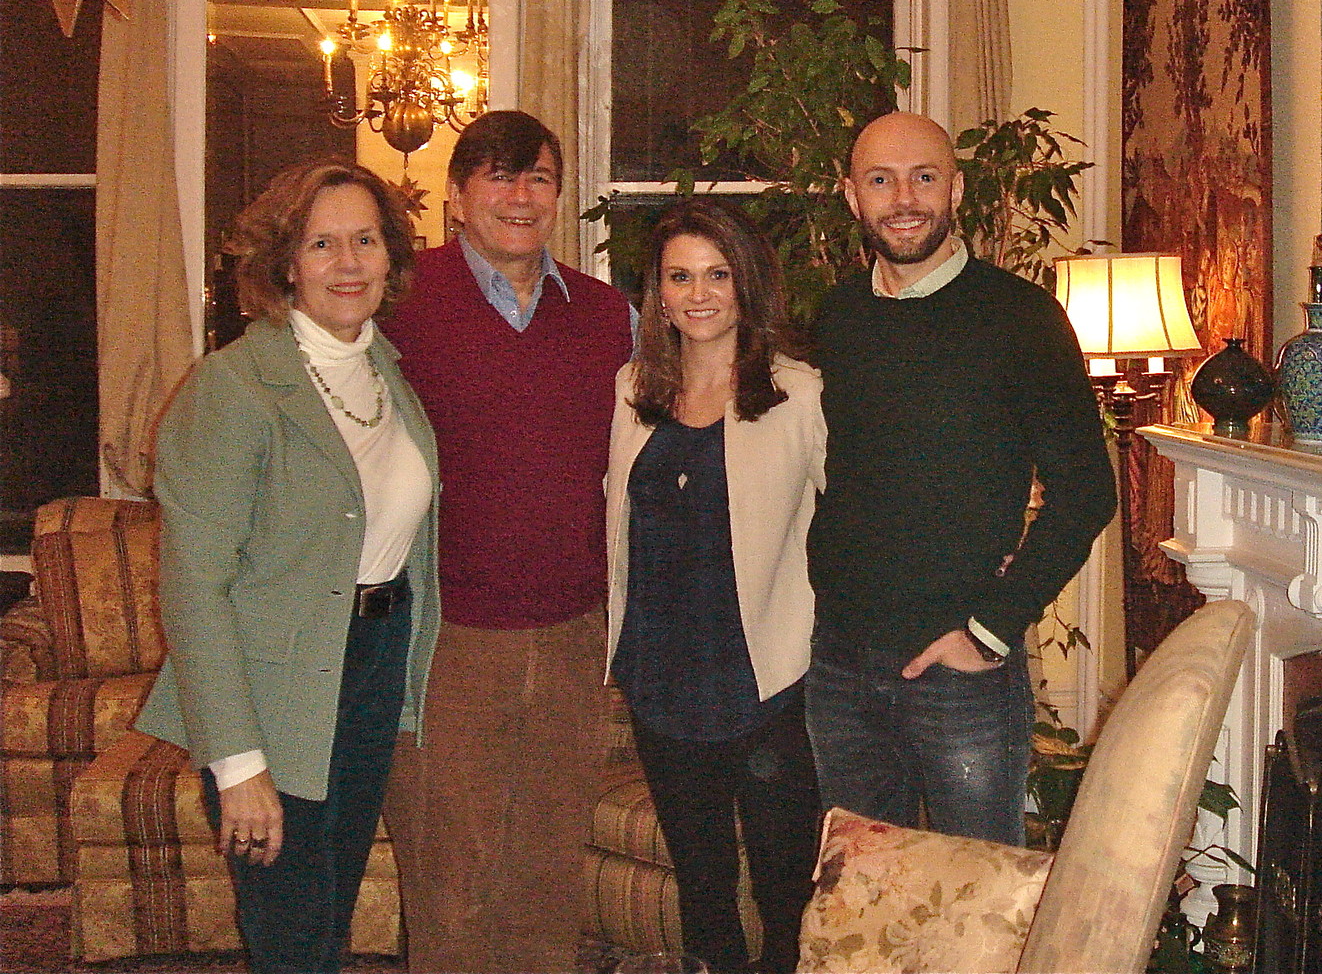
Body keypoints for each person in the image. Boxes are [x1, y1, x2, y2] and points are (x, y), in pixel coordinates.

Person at [135, 160, 440, 974]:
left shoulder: (387, 374)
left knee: (327, 915)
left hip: (370, 670)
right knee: (291, 932)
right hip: (273, 693)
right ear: (286, 265)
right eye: (322, 243)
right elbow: (195, 586)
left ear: (390, 256)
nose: (349, 262)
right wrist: (237, 766)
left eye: (366, 240)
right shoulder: (235, 387)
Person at [805, 111, 1117, 846]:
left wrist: (991, 628)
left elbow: (1088, 492)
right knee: (861, 907)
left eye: (924, 177)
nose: (904, 198)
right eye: (881, 180)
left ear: (958, 188)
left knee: (974, 910)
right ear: (852, 197)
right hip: (840, 665)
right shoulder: (840, 316)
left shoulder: (1022, 319)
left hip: (962, 676)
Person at [381, 111, 632, 974]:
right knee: (451, 878)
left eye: (538, 179)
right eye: (497, 176)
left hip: (571, 635)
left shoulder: (609, 319)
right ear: (456, 197)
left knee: (545, 873)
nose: (519, 197)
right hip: (442, 636)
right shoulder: (399, 304)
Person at [606, 200, 824, 974]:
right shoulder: (633, 390)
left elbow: (852, 522)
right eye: (680, 276)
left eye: (717, 275)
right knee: (701, 885)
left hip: (765, 680)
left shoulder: (798, 393)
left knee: (784, 887)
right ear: (658, 293)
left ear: (746, 284)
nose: (699, 294)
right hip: (660, 679)